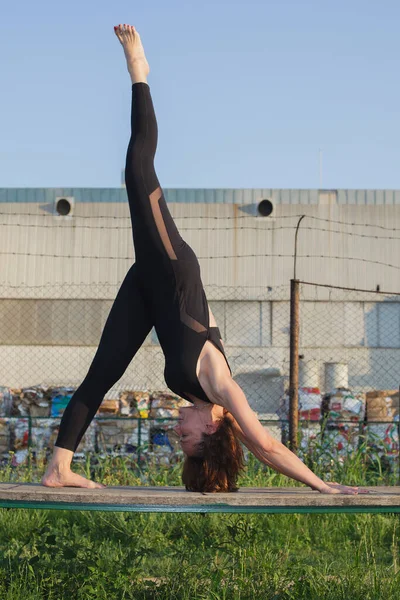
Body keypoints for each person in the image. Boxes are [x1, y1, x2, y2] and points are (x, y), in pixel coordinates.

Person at [41, 24, 367, 495]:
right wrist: (322, 484)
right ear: (213, 428)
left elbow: (202, 317)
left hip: (150, 292)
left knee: (102, 372)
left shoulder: (196, 395)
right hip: (172, 271)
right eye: (188, 437)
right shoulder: (220, 388)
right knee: (137, 169)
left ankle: (58, 467)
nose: (179, 432)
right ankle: (139, 71)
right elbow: (266, 447)